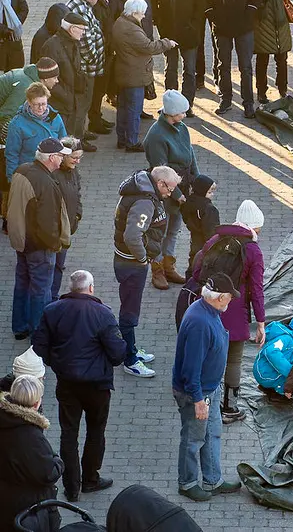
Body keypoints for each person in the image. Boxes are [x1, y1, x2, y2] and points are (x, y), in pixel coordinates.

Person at [31, 270, 125, 502]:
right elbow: (118, 354)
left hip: (67, 384)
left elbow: (39, 347)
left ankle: (71, 488)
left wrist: (58, 364)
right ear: (91, 288)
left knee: (68, 434)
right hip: (97, 386)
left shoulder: (52, 311)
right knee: (96, 431)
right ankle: (91, 479)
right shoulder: (103, 314)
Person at [191, 200, 266, 423]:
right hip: (234, 313)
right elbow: (256, 289)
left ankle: (201, 401)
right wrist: (261, 322)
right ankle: (229, 408)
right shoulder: (252, 250)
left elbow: (196, 271)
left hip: (206, 307)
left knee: (205, 355)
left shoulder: (216, 239)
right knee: (233, 360)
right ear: (255, 226)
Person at [172, 273, 243, 502]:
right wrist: (198, 400)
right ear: (220, 297)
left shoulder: (208, 310)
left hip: (210, 388)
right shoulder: (200, 323)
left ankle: (213, 480)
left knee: (212, 433)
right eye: (229, 298)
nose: (231, 302)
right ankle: (188, 482)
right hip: (198, 393)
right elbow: (191, 369)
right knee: (193, 438)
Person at [113, 165, 180, 378]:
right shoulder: (144, 202)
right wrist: (143, 259)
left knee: (130, 308)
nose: (170, 194)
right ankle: (129, 360)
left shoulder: (143, 191)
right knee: (130, 311)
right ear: (160, 183)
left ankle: (131, 347)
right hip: (132, 264)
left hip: (128, 261)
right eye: (169, 189)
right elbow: (132, 236)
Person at [7, 138, 71, 341]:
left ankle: (20, 326)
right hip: (39, 246)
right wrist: (55, 244)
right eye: (61, 156)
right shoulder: (46, 183)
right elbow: (47, 223)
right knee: (41, 289)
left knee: (22, 283)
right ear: (52, 158)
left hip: (21, 240)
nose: (63, 159)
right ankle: (39, 333)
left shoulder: (22, 170)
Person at [143, 90, 199, 289]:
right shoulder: (156, 136)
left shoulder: (182, 128)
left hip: (182, 184)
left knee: (174, 229)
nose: (184, 115)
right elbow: (161, 171)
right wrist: (177, 195)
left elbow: (191, 155)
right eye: (181, 112)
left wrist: (197, 181)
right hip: (165, 190)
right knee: (160, 231)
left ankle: (169, 266)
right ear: (171, 113)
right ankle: (157, 270)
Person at [0, 375, 64, 532]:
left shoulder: (6, 420)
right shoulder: (30, 436)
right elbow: (47, 473)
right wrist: (57, 461)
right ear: (36, 403)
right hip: (27, 507)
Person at [112, 0, 176, 153]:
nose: (144, 17)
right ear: (134, 13)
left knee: (123, 107)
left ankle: (122, 138)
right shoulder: (132, 30)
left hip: (123, 72)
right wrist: (167, 43)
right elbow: (149, 47)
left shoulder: (120, 22)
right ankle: (132, 142)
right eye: (142, 14)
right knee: (134, 110)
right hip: (134, 75)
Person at [205, 0, 261, 118]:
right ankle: (225, 99)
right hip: (221, 29)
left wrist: (248, 14)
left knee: (246, 67)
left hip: (244, 28)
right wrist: (215, 17)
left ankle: (248, 103)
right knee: (223, 65)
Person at [149, 0, 205, 116]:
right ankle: (170, 105)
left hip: (189, 33)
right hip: (168, 32)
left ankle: (186, 105)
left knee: (190, 70)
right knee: (170, 68)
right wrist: (159, 22)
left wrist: (193, 26)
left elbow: (201, 2)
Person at [39, 12, 89, 150]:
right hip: (60, 104)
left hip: (70, 101)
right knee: (60, 143)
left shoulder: (73, 42)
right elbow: (47, 79)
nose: (83, 33)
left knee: (68, 142)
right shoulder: (52, 46)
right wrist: (66, 97)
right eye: (82, 29)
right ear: (72, 29)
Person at [67, 0, 107, 149]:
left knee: (84, 103)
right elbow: (85, 43)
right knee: (82, 105)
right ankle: (77, 141)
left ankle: (81, 132)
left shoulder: (80, 4)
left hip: (86, 67)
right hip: (85, 69)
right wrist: (93, 59)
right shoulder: (81, 9)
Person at [5, 81, 67, 182]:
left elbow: (64, 142)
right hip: (30, 174)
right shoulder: (17, 124)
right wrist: (12, 179)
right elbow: (11, 153)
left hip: (54, 172)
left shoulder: (55, 117)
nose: (41, 108)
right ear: (29, 102)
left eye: (44, 104)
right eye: (36, 104)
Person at [50, 137, 83, 301]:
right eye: (74, 157)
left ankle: (53, 297)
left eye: (79, 157)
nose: (77, 161)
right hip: (53, 230)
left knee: (58, 266)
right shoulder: (53, 174)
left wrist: (77, 215)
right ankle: (49, 299)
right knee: (52, 266)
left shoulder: (74, 171)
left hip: (67, 228)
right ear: (63, 156)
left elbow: (78, 195)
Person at [253, 314, 293, 396]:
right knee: (289, 385)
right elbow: (271, 351)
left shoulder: (292, 340)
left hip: (269, 371)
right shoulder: (286, 339)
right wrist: (290, 373)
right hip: (266, 375)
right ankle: (281, 392)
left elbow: (290, 357)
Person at [253, 0, 292, 104]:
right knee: (262, 60)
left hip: (281, 25)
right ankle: (261, 91)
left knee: (282, 60)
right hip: (263, 25)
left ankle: (282, 88)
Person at [180, 174, 220, 279]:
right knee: (205, 261)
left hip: (195, 237)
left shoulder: (188, 203)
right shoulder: (209, 209)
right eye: (210, 192)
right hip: (206, 241)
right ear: (202, 192)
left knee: (193, 257)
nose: (212, 195)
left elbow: (185, 218)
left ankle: (190, 279)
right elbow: (211, 230)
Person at [0, 0, 27, 71]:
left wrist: (15, 25)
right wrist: (4, 30)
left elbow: (24, 9)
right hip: (2, 40)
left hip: (14, 40)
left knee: (15, 71)